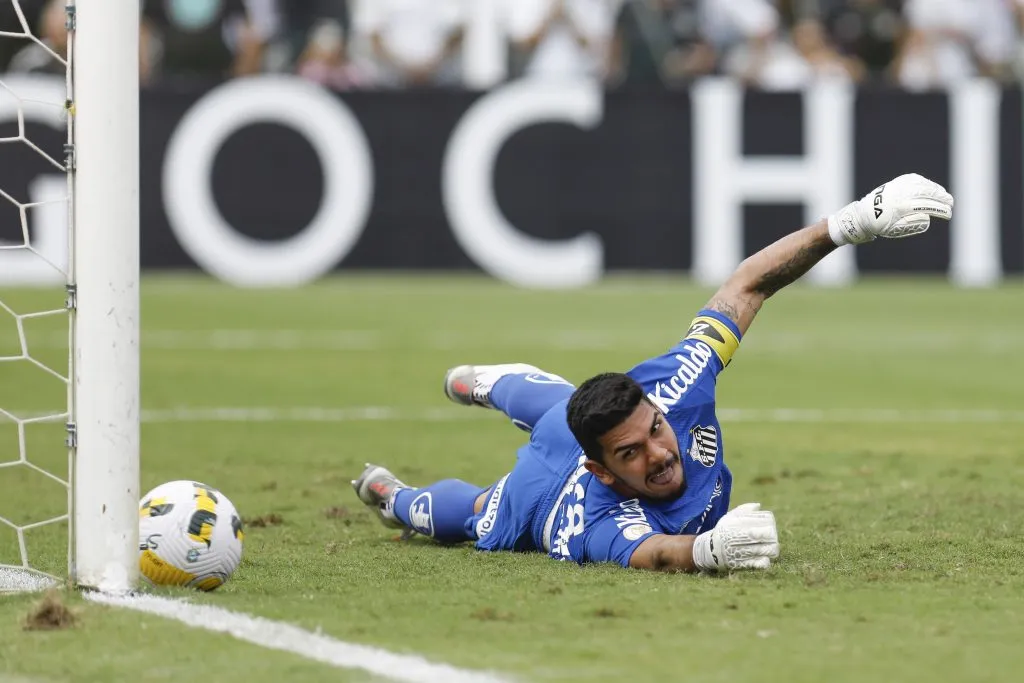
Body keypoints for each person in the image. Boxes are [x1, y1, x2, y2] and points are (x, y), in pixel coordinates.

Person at [352, 174, 954, 573]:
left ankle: (481, 383)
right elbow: (659, 555)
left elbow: (746, 286)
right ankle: (395, 497)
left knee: (558, 403)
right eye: (632, 453)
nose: (659, 453)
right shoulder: (601, 519)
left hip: (572, 420)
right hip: (537, 495)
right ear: (604, 471)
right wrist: (709, 551)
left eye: (656, 430)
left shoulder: (678, 385)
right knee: (473, 513)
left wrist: (848, 224)